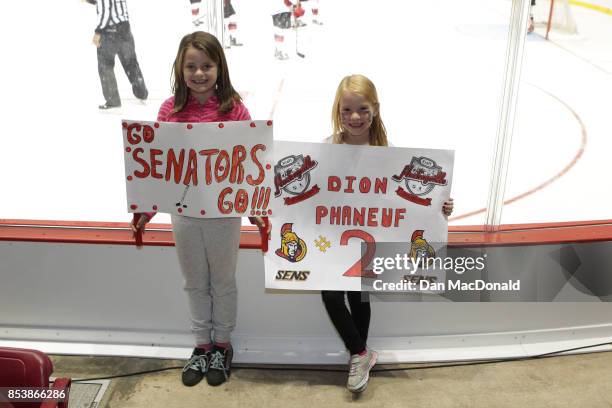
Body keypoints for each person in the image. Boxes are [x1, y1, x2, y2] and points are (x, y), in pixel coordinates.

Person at [131, 31, 268, 387]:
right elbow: (157, 167)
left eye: (206, 65)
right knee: (194, 282)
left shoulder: (235, 108)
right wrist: (144, 211)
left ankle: (222, 345)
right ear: (180, 67)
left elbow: (248, 163)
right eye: (191, 66)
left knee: (222, 281)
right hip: (185, 214)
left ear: (219, 66)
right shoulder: (169, 110)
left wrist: (256, 208)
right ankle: (201, 345)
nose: (199, 73)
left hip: (223, 214)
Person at [322, 74, 454, 393]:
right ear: (337, 111)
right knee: (330, 295)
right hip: (336, 238)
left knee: (358, 297)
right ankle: (361, 354)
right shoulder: (327, 147)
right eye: (347, 110)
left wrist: (441, 205)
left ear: (376, 109)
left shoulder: (388, 151)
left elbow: (408, 198)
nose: (355, 117)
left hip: (369, 240)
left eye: (362, 109)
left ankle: (358, 357)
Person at [88, 0, 148, 110]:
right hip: (125, 28)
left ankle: (113, 100)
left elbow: (106, 10)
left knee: (105, 66)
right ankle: (141, 92)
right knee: (130, 62)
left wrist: (98, 32)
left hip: (109, 31)